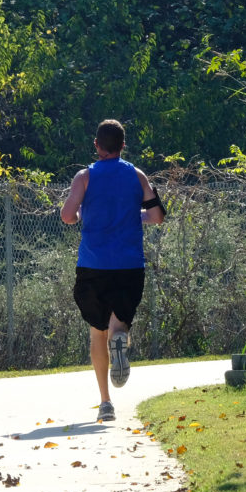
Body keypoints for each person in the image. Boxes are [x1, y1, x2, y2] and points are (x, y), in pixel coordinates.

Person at [59, 119, 166, 422]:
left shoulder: (85, 176)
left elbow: (68, 216)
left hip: (93, 265)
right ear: (123, 145)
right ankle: (120, 337)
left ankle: (105, 402)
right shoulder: (137, 175)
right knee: (118, 324)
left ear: (96, 145)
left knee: (97, 331)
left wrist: (81, 211)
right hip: (129, 265)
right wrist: (137, 217)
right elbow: (157, 216)